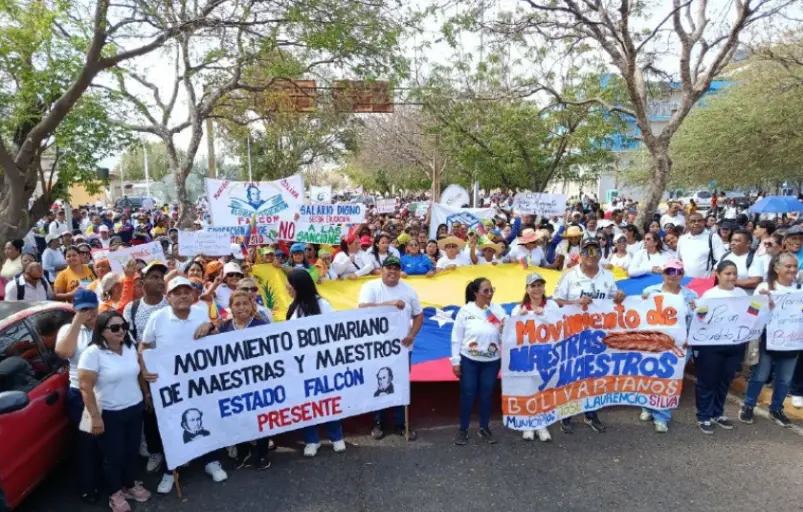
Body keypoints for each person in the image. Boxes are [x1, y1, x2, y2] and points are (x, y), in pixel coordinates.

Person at [139, 276, 226, 493]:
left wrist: (210, 325)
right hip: (170, 384)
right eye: (177, 292)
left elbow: (213, 335)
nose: (183, 296)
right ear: (167, 297)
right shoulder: (157, 318)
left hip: (201, 381)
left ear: (193, 294)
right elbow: (144, 346)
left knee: (207, 418)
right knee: (171, 424)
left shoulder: (200, 312)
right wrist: (144, 370)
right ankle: (172, 469)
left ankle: (211, 460)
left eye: (187, 291)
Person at [78, 310, 151, 512]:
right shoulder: (92, 353)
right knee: (114, 456)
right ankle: (115, 492)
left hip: (134, 408)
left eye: (124, 327)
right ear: (102, 331)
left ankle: (129, 484)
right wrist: (95, 418)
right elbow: (85, 387)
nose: (121, 331)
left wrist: (145, 394)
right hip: (109, 413)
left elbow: (139, 374)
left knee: (131, 451)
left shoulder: (130, 347)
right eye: (115, 328)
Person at [553, 237, 625, 433]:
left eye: (595, 251)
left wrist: (620, 296)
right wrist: (576, 301)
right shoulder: (569, 275)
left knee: (594, 374)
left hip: (598, 335)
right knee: (571, 373)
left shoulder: (608, 275)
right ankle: (566, 414)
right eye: (587, 251)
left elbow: (614, 300)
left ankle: (591, 413)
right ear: (581, 255)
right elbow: (556, 301)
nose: (591, 256)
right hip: (573, 332)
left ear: (601, 254)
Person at [358, 256, 424, 441]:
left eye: (396, 268)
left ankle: (400, 424)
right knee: (379, 382)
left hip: (402, 348)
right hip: (378, 348)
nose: (392, 271)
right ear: (382, 270)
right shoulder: (370, 287)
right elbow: (362, 309)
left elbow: (419, 315)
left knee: (401, 384)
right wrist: (390, 303)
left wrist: (411, 335)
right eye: (389, 268)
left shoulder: (409, 290)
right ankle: (378, 422)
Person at [205, 290, 272, 469]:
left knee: (259, 418)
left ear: (251, 306)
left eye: (245, 303)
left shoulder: (261, 324)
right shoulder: (225, 327)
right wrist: (210, 327)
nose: (241, 307)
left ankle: (263, 454)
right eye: (237, 304)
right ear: (231, 308)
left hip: (258, 381)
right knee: (239, 418)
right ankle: (243, 453)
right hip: (235, 384)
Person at [284, 269, 345, 456]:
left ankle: (336, 437)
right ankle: (312, 440)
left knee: (328, 400)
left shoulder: (323, 305)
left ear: (298, 286)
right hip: (301, 367)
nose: (287, 287)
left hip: (323, 364)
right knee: (306, 403)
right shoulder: (293, 309)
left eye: (289, 284)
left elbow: (334, 332)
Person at [739, 252, 800, 428]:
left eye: (795, 266)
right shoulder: (764, 287)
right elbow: (751, 313)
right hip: (768, 340)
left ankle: (776, 409)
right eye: (788, 266)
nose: (792, 270)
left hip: (792, 341)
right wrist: (764, 304)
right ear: (776, 267)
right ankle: (748, 405)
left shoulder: (799, 289)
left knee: (785, 379)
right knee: (760, 375)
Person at [639, 259, 698, 432]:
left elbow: (697, 322)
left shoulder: (691, 296)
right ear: (663, 273)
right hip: (653, 343)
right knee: (649, 376)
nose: (674, 275)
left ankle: (662, 416)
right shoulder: (650, 291)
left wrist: (697, 312)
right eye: (669, 271)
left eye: (678, 271)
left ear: (683, 274)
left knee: (669, 379)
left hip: (679, 346)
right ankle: (647, 406)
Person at [54, 289, 101, 505]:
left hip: (107, 391)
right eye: (83, 309)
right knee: (86, 442)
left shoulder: (106, 325)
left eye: (92, 308)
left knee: (108, 438)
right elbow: (64, 352)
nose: (89, 313)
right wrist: (77, 323)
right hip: (81, 393)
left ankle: (112, 480)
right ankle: (88, 486)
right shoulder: (68, 329)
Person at [691, 260, 747, 434]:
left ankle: (718, 413)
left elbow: (750, 316)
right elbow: (701, 321)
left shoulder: (742, 293)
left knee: (724, 381)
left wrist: (762, 304)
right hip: (711, 346)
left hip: (734, 345)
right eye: (727, 273)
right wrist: (698, 310)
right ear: (718, 274)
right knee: (707, 381)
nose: (731, 277)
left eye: (734, 274)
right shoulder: (709, 295)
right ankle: (704, 416)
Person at [451, 277, 506, 445]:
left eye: (491, 290)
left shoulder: (499, 311)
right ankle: (463, 429)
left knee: (486, 394)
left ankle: (484, 427)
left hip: (491, 361)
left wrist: (504, 330)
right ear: (476, 293)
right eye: (486, 291)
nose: (490, 294)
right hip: (469, 360)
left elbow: (506, 337)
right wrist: (455, 361)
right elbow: (456, 337)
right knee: (468, 393)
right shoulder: (465, 311)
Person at [510, 273, 558, 442]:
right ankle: (528, 424)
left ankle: (541, 423)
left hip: (546, 354)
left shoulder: (551, 305)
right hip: (526, 355)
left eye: (539, 285)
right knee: (527, 389)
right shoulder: (519, 309)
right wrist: (518, 318)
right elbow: (511, 334)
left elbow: (559, 326)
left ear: (544, 287)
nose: (537, 289)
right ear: (527, 289)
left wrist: (542, 314)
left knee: (543, 389)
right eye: (533, 286)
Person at [677, 212, 726, 278]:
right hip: (685, 281)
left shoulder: (713, 237)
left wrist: (714, 272)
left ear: (704, 222)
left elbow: (722, 258)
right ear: (687, 224)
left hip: (705, 281)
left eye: (699, 221)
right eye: (693, 221)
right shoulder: (682, 239)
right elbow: (678, 259)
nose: (696, 223)